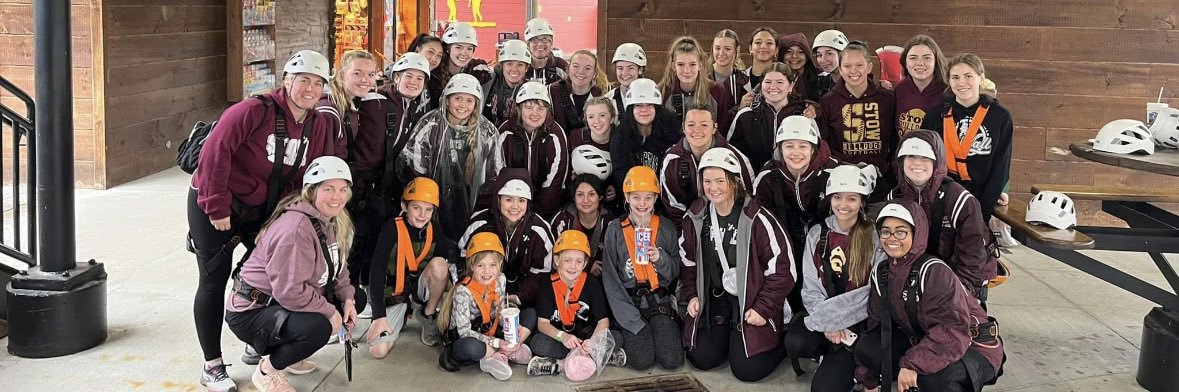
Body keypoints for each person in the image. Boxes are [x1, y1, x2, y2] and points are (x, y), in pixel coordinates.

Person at [188, 49, 334, 392]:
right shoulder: (254, 110)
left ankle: (262, 346)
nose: (310, 89)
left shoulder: (319, 123)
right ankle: (212, 364)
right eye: (303, 80)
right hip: (217, 200)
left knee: (273, 275)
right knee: (213, 279)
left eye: (317, 82)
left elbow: (310, 176)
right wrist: (217, 207)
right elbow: (214, 155)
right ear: (287, 80)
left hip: (265, 209)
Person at [224, 156, 364, 392]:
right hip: (252, 311)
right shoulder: (296, 228)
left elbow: (338, 266)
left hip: (281, 301)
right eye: (328, 189)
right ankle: (267, 370)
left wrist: (348, 298)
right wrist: (330, 312)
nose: (337, 196)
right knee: (319, 327)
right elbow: (289, 291)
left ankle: (290, 355)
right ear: (311, 191)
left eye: (342, 189)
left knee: (356, 298)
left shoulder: (334, 220)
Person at [854, 200, 1004, 392]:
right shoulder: (882, 272)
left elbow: (953, 330)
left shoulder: (934, 271)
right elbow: (877, 326)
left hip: (973, 345)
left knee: (937, 381)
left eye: (901, 232)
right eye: (885, 231)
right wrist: (869, 382)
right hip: (925, 338)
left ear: (917, 234)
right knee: (868, 347)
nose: (892, 238)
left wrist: (912, 365)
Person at [681, 148, 794, 382]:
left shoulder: (758, 219)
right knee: (701, 358)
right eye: (707, 181)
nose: (713, 187)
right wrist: (692, 295)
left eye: (720, 180)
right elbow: (689, 262)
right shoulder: (695, 217)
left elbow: (783, 271)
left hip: (752, 301)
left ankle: (784, 337)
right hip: (717, 299)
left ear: (734, 181)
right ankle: (730, 336)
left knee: (747, 370)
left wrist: (764, 308)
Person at [782, 164, 884, 390]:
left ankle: (847, 360)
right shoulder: (818, 234)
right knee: (796, 341)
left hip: (858, 323)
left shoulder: (874, 236)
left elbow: (871, 293)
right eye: (837, 197)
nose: (843, 205)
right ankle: (828, 352)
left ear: (861, 202)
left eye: (852, 199)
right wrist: (828, 322)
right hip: (826, 320)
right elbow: (810, 288)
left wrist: (834, 320)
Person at [336, 52, 428, 295]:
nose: (413, 82)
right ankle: (349, 291)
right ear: (395, 77)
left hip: (384, 185)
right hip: (361, 182)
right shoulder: (376, 100)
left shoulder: (416, 107)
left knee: (376, 238)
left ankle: (365, 289)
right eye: (408, 76)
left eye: (419, 79)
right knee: (357, 239)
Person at [889, 130, 999, 303]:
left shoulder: (960, 201)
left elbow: (972, 258)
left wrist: (961, 294)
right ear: (901, 161)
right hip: (919, 273)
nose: (917, 163)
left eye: (925, 157)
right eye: (910, 156)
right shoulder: (894, 199)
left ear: (937, 161)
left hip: (960, 273)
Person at [751, 116, 840, 314]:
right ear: (780, 149)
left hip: (825, 244)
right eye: (789, 146)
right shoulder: (768, 176)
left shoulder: (833, 172)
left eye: (803, 146)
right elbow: (756, 219)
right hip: (786, 242)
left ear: (813, 148)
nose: (796, 153)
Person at [397, 73, 500, 241]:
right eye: (457, 98)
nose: (463, 105)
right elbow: (414, 168)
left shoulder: (486, 131)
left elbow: (492, 175)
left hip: (470, 207)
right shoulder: (431, 125)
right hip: (431, 203)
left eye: (469, 100)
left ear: (476, 104)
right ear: (446, 100)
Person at [600, 166, 684, 370]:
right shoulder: (614, 230)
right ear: (627, 197)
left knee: (672, 361)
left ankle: (656, 329)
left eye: (648, 197)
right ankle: (620, 335)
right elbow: (610, 280)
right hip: (629, 303)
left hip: (659, 300)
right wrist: (630, 319)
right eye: (636, 197)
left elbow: (675, 271)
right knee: (642, 361)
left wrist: (660, 258)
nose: (642, 204)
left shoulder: (666, 228)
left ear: (655, 198)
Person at [365, 178, 459, 356]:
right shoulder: (390, 229)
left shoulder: (435, 229)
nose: (422, 215)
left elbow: (444, 273)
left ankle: (428, 315)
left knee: (440, 265)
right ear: (404, 205)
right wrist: (379, 315)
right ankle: (400, 317)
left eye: (428, 209)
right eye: (416, 207)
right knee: (378, 351)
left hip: (419, 291)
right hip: (395, 296)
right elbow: (376, 272)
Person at [920, 53, 1013, 221]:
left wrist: (982, 212)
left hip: (981, 195)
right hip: (941, 195)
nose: (961, 82)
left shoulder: (999, 116)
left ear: (981, 78)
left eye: (968, 76)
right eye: (955, 77)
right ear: (949, 81)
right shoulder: (934, 116)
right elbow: (925, 160)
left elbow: (1001, 166)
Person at [526, 230, 628, 380]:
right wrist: (563, 337)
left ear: (585, 263)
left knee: (616, 337)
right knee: (537, 343)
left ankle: (560, 365)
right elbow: (542, 324)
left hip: (587, 336)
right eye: (567, 260)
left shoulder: (592, 283)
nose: (573, 266)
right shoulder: (547, 284)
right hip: (562, 339)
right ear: (556, 260)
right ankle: (598, 359)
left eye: (579, 261)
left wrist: (593, 343)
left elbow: (603, 321)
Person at [436, 232, 538, 380]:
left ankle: (507, 350)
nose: (487, 271)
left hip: (491, 331)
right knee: (472, 347)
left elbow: (498, 311)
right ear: (471, 265)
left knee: (530, 313)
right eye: (481, 265)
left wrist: (511, 328)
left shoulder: (500, 280)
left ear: (500, 265)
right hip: (468, 339)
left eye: (492, 265)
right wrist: (496, 342)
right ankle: (498, 354)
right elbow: (464, 332)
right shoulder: (462, 292)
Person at [459, 170, 555, 307]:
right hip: (480, 294)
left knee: (529, 319)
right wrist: (476, 290)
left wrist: (518, 297)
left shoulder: (539, 230)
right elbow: (463, 258)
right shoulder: (481, 224)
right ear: (498, 200)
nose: (515, 206)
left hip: (522, 300)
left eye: (521, 200)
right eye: (509, 199)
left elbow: (542, 273)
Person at [817, 42, 898, 202]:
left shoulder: (887, 98)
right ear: (840, 69)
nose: (853, 71)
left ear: (869, 67)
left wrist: (887, 168)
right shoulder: (828, 101)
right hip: (843, 182)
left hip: (881, 183)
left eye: (859, 65)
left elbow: (895, 137)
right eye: (847, 66)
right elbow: (824, 144)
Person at [660, 103, 754, 229]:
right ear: (683, 128)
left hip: (731, 226)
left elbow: (747, 197)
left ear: (715, 128)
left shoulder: (734, 158)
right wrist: (689, 232)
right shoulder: (672, 160)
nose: (697, 130)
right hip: (689, 227)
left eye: (704, 125)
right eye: (691, 125)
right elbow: (673, 207)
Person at [495, 81, 571, 217]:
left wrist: (539, 211)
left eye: (541, 108)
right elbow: (499, 172)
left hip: (546, 207)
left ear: (547, 110)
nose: (535, 113)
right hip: (512, 205)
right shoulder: (505, 132)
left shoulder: (555, 133)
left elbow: (557, 178)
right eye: (529, 107)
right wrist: (515, 206)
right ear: (519, 109)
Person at [728, 62, 809, 170]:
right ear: (761, 85)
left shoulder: (804, 116)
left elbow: (815, 151)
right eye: (768, 82)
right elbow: (733, 154)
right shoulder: (745, 116)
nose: (773, 87)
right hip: (755, 180)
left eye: (780, 82)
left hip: (793, 180)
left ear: (791, 86)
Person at [608, 78, 682, 195]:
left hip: (664, 197)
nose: (644, 110)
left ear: (656, 108)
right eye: (638, 105)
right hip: (632, 198)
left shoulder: (671, 132)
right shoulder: (620, 137)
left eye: (649, 105)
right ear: (631, 109)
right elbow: (620, 174)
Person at [549, 174, 616, 276]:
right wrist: (588, 265)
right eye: (580, 195)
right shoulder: (563, 219)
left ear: (600, 197)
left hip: (600, 279)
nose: (585, 200)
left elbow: (615, 261)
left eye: (591, 194)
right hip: (566, 276)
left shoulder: (610, 224)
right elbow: (551, 253)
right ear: (573, 198)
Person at [659, 36, 727, 126]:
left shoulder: (717, 91)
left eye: (692, 64)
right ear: (673, 66)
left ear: (700, 65)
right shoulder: (663, 91)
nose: (687, 71)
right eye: (681, 64)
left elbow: (722, 130)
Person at [569, 97, 622, 208]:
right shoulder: (575, 137)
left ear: (612, 118)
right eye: (591, 117)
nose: (596, 121)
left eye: (602, 115)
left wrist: (616, 188)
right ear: (586, 120)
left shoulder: (620, 140)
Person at [894, 35, 948, 138]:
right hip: (905, 151)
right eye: (913, 58)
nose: (920, 63)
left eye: (927, 58)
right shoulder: (900, 88)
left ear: (936, 61)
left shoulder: (947, 91)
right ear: (905, 62)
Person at [549, 50, 608, 132]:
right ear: (568, 68)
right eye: (576, 66)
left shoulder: (604, 93)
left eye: (587, 68)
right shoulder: (552, 91)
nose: (581, 72)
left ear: (594, 73)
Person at [483, 39, 532, 126]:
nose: (514, 69)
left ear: (526, 68)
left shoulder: (531, 90)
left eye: (520, 64)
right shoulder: (489, 84)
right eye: (509, 64)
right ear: (502, 66)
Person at [405, 33, 447, 112]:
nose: (434, 58)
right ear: (417, 50)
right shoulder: (398, 74)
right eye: (430, 52)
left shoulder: (435, 83)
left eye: (439, 55)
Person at [777, 32, 823, 103]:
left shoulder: (821, 77)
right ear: (781, 56)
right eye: (789, 51)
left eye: (800, 52)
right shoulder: (773, 77)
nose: (794, 56)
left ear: (807, 56)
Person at [604, 43, 648, 115]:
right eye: (620, 68)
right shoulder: (608, 100)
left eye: (630, 68)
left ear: (640, 70)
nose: (624, 73)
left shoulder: (652, 98)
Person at [523, 18, 569, 85]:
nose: (540, 44)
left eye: (545, 39)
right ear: (528, 44)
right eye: (535, 39)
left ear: (551, 42)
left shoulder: (561, 67)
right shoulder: (521, 68)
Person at [811, 29, 849, 100]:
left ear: (843, 54)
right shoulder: (821, 83)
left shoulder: (856, 83)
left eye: (829, 53)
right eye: (819, 55)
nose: (823, 60)